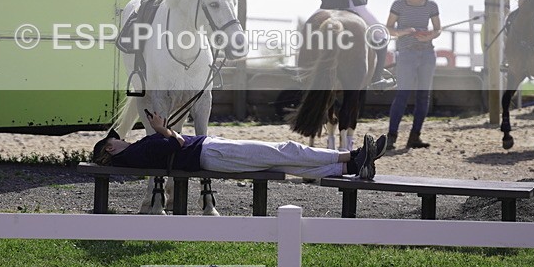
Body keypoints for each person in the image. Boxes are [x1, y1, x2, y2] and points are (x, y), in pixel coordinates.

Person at [93, 110, 387, 181]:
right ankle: (352, 155)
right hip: (210, 151)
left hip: (210, 154)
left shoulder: (134, 153)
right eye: (114, 138)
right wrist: (163, 129)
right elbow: (177, 145)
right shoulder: (135, 151)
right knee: (285, 150)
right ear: (110, 148)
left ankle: (349, 166)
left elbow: (173, 147)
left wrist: (163, 132)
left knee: (283, 163)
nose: (120, 137)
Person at [384, 0, 441, 150]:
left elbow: (438, 29)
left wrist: (429, 36)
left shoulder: (431, 5)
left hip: (427, 53)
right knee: (402, 94)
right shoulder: (398, 4)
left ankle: (415, 136)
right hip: (406, 53)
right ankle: (392, 136)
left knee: (424, 96)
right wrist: (404, 32)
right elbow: (389, 28)